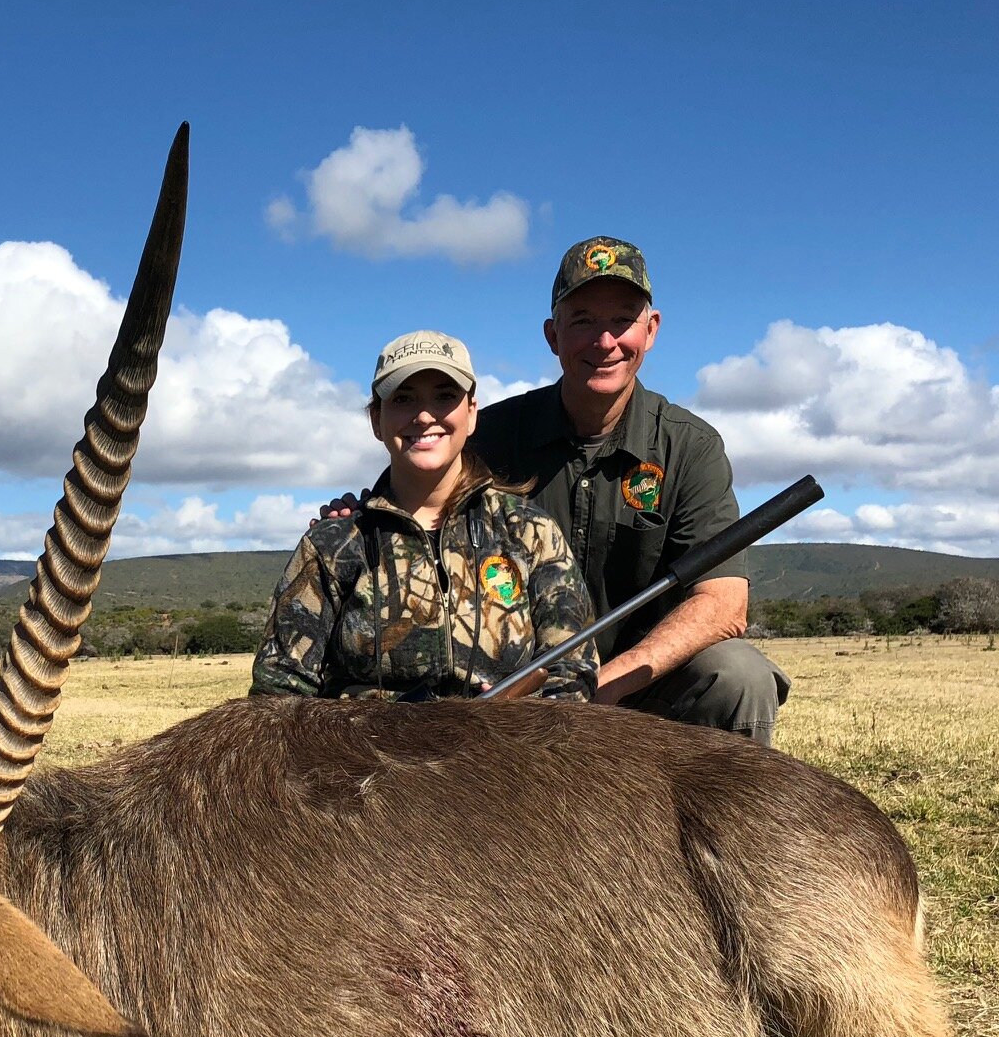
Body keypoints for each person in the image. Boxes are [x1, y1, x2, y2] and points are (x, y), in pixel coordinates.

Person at [321, 237, 787, 744]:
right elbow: (405, 519)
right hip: (515, 699)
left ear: (650, 330)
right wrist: (351, 522)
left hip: (639, 685)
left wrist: (593, 689)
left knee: (739, 675)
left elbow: (723, 604)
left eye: (623, 320)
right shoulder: (489, 436)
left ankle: (727, 821)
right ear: (552, 335)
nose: (604, 341)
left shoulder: (689, 447)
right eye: (583, 320)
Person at [252, 331, 597, 702]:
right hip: (363, 756)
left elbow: (573, 672)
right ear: (376, 420)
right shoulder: (331, 548)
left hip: (506, 753)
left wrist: (514, 726)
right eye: (403, 398)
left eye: (445, 396)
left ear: (472, 413)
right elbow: (278, 692)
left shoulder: (530, 533)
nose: (424, 415)